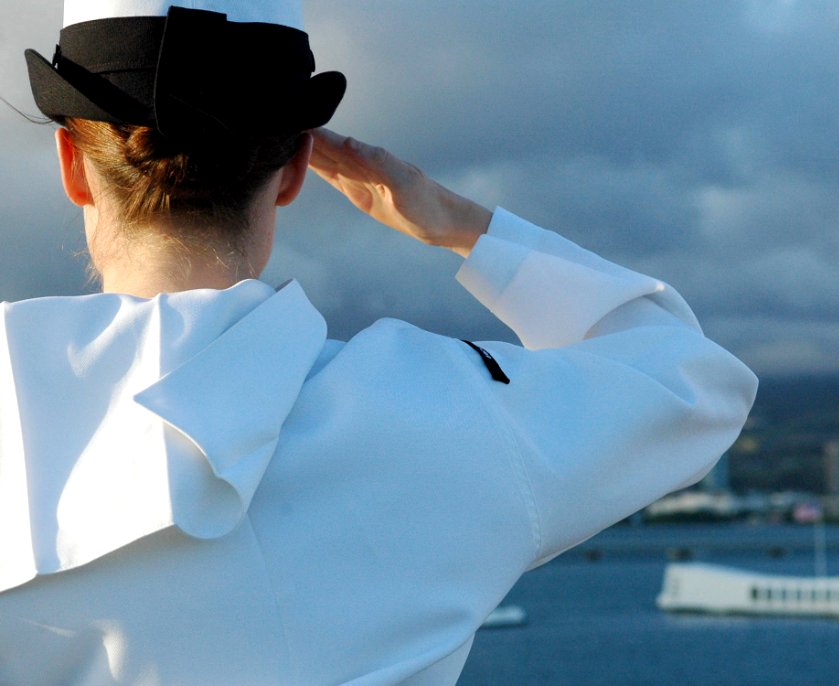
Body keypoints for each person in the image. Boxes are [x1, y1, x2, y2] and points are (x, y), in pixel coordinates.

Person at [0, 1, 758, 684]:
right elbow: (693, 384)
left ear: (74, 165)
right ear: (297, 168)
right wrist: (457, 223)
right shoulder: (444, 415)